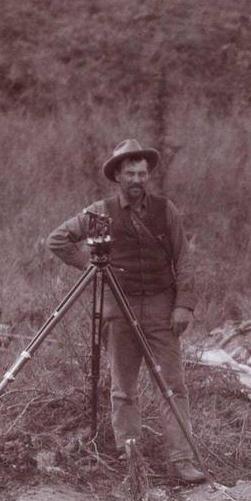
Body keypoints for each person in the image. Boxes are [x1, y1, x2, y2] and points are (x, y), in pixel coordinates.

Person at [47, 139, 204, 483]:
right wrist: (90, 265)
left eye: (142, 173)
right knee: (123, 388)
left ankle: (181, 461)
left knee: (173, 385)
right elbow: (58, 240)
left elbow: (184, 259)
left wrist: (184, 305)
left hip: (163, 308)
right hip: (119, 307)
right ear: (117, 175)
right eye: (130, 173)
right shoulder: (100, 211)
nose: (137, 179)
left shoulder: (166, 210)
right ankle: (131, 461)